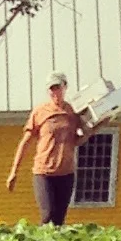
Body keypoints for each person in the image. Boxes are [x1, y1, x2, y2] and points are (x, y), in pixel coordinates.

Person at [7, 73, 93, 226]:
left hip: (66, 173)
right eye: (52, 89)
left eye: (58, 87)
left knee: (59, 220)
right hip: (44, 173)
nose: (55, 92)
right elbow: (25, 143)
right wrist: (14, 172)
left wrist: (96, 127)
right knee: (48, 215)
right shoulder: (40, 111)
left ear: (65, 87)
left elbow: (76, 141)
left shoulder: (73, 112)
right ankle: (40, 240)